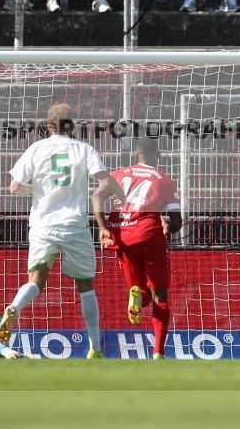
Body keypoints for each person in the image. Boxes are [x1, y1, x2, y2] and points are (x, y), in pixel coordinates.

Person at [0, 104, 126, 359]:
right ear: (72, 126)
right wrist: (120, 193)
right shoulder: (83, 149)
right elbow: (103, 180)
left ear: (48, 126)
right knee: (85, 284)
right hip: (73, 225)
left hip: (42, 225)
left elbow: (14, 187)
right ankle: (95, 348)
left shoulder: (36, 149)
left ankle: (15, 306)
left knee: (36, 280)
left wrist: (37, 192)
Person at [93, 138, 182, 360]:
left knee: (140, 289)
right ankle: (158, 352)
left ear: (136, 155)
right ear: (157, 155)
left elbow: (96, 196)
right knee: (159, 293)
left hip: (121, 234)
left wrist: (102, 227)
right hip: (149, 233)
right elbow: (177, 221)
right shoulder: (164, 180)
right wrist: (168, 226)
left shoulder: (118, 174)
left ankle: (137, 298)